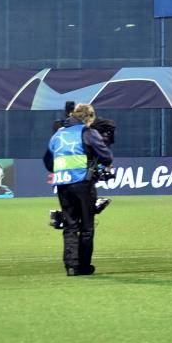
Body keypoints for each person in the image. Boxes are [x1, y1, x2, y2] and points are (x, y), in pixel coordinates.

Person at [44, 103, 112, 276]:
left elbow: (47, 161)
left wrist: (61, 170)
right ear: (88, 118)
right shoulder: (87, 132)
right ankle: (83, 265)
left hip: (63, 183)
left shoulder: (57, 135)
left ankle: (71, 266)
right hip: (83, 182)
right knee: (87, 226)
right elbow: (106, 155)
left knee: (70, 225)